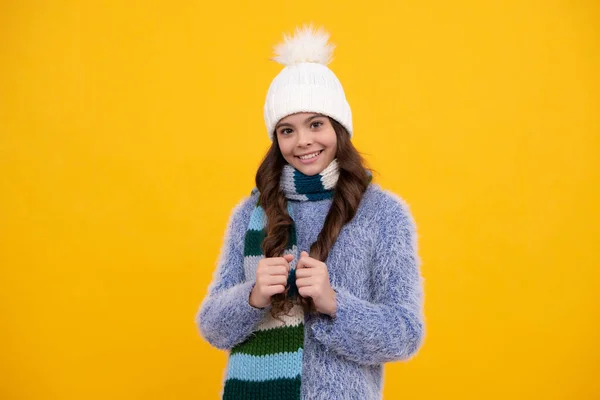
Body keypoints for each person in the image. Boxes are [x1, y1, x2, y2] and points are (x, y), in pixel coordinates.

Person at [195, 24, 425, 400]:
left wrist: (333, 302)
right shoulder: (251, 213)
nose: (303, 141)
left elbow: (405, 333)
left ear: (338, 127)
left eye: (315, 124)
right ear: (276, 139)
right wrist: (252, 297)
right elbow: (213, 327)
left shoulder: (383, 214)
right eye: (287, 130)